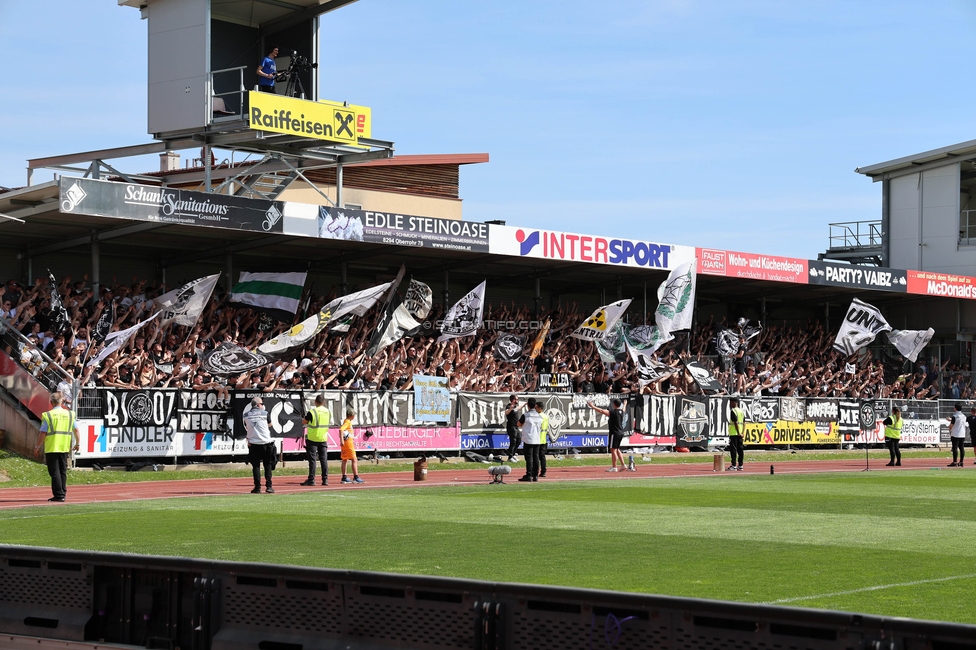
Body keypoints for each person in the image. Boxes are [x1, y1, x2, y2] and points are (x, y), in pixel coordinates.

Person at [34, 392, 79, 502]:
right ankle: (63, 492)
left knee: (54, 472)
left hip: (52, 446)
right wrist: (77, 443)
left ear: (51, 403)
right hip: (64, 446)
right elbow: (76, 430)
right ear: (62, 402)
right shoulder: (70, 414)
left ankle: (59, 495)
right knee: (62, 470)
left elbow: (43, 432)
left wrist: (37, 446)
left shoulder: (48, 415)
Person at [243, 397, 276, 493]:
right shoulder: (265, 414)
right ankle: (269, 486)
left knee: (256, 466)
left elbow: (247, 426)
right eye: (262, 403)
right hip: (266, 443)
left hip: (253, 443)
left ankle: (257, 487)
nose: (263, 405)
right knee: (268, 465)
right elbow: (270, 424)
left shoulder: (246, 415)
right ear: (258, 405)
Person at [588, 398, 630, 472]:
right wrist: (625, 404)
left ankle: (614, 467)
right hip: (620, 433)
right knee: (617, 449)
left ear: (614, 404)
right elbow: (623, 408)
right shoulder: (622, 412)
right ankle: (623, 465)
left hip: (614, 433)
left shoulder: (613, 412)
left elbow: (601, 411)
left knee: (613, 449)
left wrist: (593, 406)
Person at [301, 394, 331, 486]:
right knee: (324, 459)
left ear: (315, 402)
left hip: (312, 438)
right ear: (324, 402)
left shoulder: (312, 412)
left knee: (312, 460)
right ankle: (325, 479)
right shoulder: (328, 411)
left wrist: (302, 417)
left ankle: (311, 479)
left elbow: (304, 422)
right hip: (323, 437)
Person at [517, 397, 543, 482]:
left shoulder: (526, 415)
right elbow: (541, 426)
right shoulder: (539, 416)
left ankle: (529, 475)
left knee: (529, 458)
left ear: (528, 405)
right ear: (535, 405)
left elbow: (518, 424)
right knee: (536, 457)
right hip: (537, 439)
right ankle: (535, 475)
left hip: (528, 439)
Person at [340, 408, 364, 484]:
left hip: (346, 443)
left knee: (345, 459)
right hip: (348, 444)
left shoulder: (346, 421)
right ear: (351, 416)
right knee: (354, 459)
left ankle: (344, 477)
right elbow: (341, 430)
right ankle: (356, 477)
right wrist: (342, 440)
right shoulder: (347, 422)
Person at [727, 397, 745, 471]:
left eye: (730, 402)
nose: (730, 404)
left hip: (734, 433)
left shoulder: (733, 411)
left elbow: (735, 423)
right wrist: (742, 433)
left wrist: (738, 432)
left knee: (733, 449)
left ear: (734, 402)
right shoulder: (741, 411)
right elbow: (744, 423)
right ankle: (740, 465)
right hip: (740, 433)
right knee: (740, 449)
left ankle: (733, 465)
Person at [504, 394, 522, 462]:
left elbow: (518, 408)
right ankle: (510, 457)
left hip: (516, 427)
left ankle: (513, 454)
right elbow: (506, 412)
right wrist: (510, 408)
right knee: (513, 441)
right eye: (516, 399)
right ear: (513, 400)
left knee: (519, 440)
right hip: (511, 427)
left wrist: (524, 405)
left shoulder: (515, 406)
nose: (517, 400)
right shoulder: (509, 406)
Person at [948, 402, 966, 467]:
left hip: (955, 433)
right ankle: (961, 461)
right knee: (962, 448)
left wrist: (949, 429)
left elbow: (951, 425)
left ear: (955, 408)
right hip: (962, 433)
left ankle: (955, 461)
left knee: (955, 447)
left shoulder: (955, 416)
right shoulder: (964, 416)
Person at [536, 400, 550, 478]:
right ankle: (543, 471)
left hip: (538, 438)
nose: (535, 409)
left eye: (536, 407)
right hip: (543, 438)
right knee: (542, 457)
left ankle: (535, 471)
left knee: (536, 457)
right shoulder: (545, 416)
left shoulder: (539, 416)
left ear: (540, 408)